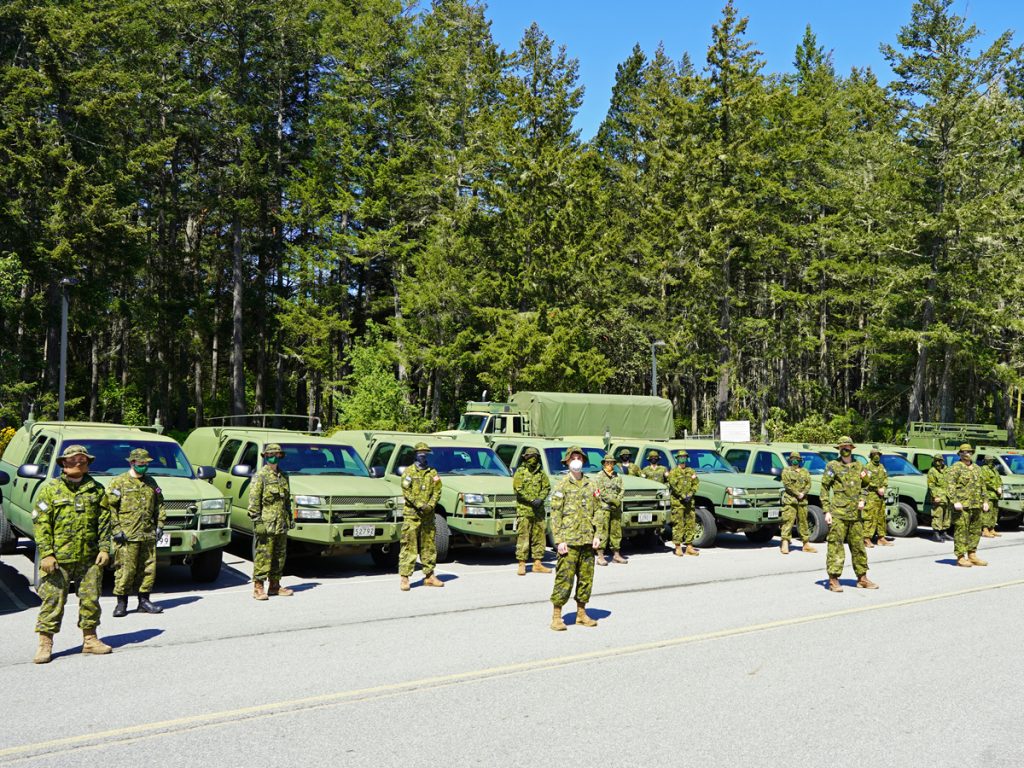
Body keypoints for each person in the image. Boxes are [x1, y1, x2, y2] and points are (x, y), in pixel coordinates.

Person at [32, 445, 113, 663]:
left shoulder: (96, 490)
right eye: (73, 460)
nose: (78, 463)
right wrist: (47, 554)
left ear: (88, 465)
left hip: (90, 557)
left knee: (91, 600)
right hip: (58, 559)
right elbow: (41, 523)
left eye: (83, 461)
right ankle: (45, 643)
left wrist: (105, 548)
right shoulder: (50, 490)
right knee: (52, 601)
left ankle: (90, 639)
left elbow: (104, 522)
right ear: (63, 463)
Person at [549, 446, 606, 631]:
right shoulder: (562, 485)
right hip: (569, 541)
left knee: (586, 579)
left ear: (583, 461)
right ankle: (557, 616)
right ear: (567, 462)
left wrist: (598, 535)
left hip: (587, 541)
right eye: (573, 457)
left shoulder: (592, 485)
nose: (576, 460)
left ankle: (581, 613)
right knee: (564, 579)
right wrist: (559, 540)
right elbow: (555, 514)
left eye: (579, 458)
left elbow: (599, 510)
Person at [108, 448, 166, 617]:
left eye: (146, 464)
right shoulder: (119, 482)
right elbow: (110, 508)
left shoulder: (151, 483)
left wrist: (160, 525)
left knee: (148, 569)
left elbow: (159, 505)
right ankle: (121, 603)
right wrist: (116, 529)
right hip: (127, 535)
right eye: (141, 464)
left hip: (147, 534)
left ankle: (144, 601)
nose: (144, 467)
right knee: (126, 570)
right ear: (132, 463)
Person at [821, 436, 877, 592]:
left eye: (847, 447)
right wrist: (826, 511)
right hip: (838, 513)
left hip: (855, 515)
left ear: (852, 449)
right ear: (839, 450)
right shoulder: (833, 466)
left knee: (859, 546)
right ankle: (833, 579)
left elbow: (866, 486)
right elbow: (824, 488)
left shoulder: (860, 467)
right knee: (835, 546)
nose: (845, 450)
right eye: (842, 448)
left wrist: (862, 500)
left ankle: (862, 578)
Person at [249, 443, 295, 600]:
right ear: (265, 457)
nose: (273, 457)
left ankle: (275, 585)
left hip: (281, 523)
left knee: (279, 555)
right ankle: (258, 587)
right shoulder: (260, 476)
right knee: (263, 555)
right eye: (270, 455)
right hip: (266, 523)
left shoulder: (283, 476)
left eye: (276, 454)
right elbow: (254, 501)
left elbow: (287, 500)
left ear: (280, 457)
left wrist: (290, 518)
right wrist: (257, 521)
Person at [399, 442, 443, 591]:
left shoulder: (433, 473)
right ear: (415, 454)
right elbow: (406, 491)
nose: (423, 455)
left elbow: (437, 490)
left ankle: (429, 576)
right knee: (408, 546)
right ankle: (405, 578)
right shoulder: (409, 472)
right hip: (412, 516)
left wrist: (430, 505)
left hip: (428, 516)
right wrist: (419, 504)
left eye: (426, 452)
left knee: (429, 547)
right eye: (420, 452)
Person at [946, 444, 988, 567]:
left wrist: (985, 501)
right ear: (960, 454)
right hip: (962, 506)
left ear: (972, 453)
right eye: (963, 452)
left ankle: (972, 555)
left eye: (969, 451)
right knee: (961, 531)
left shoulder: (977, 468)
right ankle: (960, 557)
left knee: (975, 531)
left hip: (976, 505)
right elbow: (950, 486)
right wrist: (955, 501)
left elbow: (982, 486)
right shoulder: (955, 468)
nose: (966, 454)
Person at [512, 446, 551, 575]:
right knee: (523, 537)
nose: (532, 459)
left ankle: (537, 564)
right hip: (525, 511)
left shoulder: (541, 473)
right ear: (525, 458)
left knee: (539, 538)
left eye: (535, 456)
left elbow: (547, 487)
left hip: (538, 512)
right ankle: (522, 564)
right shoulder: (521, 472)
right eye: (530, 456)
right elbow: (518, 489)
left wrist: (540, 499)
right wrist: (531, 500)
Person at [780, 451, 816, 555]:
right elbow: (787, 484)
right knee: (788, 521)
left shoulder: (805, 471)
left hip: (802, 501)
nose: (795, 460)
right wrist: (797, 493)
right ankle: (785, 543)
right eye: (793, 458)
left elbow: (809, 484)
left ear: (800, 460)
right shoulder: (786, 471)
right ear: (790, 460)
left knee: (803, 522)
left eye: (797, 459)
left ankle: (806, 544)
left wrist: (803, 493)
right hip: (790, 501)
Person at [593, 453, 626, 565]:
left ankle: (616, 555)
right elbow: (600, 492)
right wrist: (612, 500)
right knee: (602, 531)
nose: (609, 465)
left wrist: (618, 499)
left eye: (611, 463)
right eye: (607, 463)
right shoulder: (599, 476)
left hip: (616, 508)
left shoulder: (618, 476)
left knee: (616, 531)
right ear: (603, 464)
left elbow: (622, 490)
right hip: (604, 508)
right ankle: (600, 556)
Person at [666, 450, 700, 557]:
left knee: (691, 523)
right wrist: (682, 495)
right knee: (678, 524)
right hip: (678, 502)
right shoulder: (673, 472)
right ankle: (678, 547)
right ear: (677, 458)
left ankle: (689, 546)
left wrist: (690, 493)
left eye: (684, 457)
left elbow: (696, 483)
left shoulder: (691, 471)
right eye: (680, 457)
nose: (682, 459)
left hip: (689, 502)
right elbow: (673, 485)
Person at [862, 448, 892, 548]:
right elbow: (865, 482)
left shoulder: (881, 467)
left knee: (881, 517)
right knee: (869, 517)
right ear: (871, 456)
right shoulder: (867, 467)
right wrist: (877, 488)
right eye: (874, 454)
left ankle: (881, 538)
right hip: (871, 496)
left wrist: (884, 487)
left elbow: (885, 478)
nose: (877, 456)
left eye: (878, 454)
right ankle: (866, 538)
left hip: (881, 497)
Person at [927, 456, 951, 543]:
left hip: (947, 496)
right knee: (937, 515)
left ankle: (944, 533)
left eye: (940, 460)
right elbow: (931, 485)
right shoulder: (932, 471)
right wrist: (935, 496)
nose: (938, 462)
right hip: (938, 496)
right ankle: (936, 534)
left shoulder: (947, 470)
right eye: (936, 461)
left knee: (947, 515)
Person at [981, 456, 1002, 538]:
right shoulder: (984, 469)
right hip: (988, 494)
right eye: (989, 460)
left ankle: (992, 528)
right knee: (987, 512)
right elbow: (986, 481)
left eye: (992, 460)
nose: (990, 461)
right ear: (985, 460)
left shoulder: (994, 469)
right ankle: (985, 530)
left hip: (995, 495)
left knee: (994, 512)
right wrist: (996, 488)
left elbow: (999, 480)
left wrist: (1000, 487)